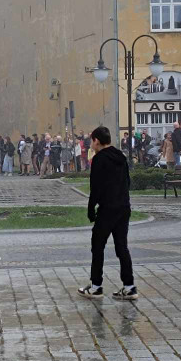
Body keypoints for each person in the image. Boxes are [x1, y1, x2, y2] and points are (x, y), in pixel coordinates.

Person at [77, 126, 137, 301]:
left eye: (91, 141)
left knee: (97, 246)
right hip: (124, 208)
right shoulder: (121, 157)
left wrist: (91, 209)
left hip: (107, 209)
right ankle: (129, 287)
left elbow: (95, 188)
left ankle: (96, 287)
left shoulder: (99, 159)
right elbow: (127, 181)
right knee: (122, 247)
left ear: (96, 140)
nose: (90, 144)